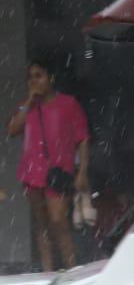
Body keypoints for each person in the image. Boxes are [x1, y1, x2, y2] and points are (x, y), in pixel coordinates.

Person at [5, 59, 90, 272]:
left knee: (59, 222)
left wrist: (82, 172)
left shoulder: (68, 104)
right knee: (41, 225)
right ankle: (47, 271)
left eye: (39, 76)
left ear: (51, 78)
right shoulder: (27, 106)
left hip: (58, 173)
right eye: (30, 77)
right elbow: (12, 130)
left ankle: (72, 271)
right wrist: (29, 101)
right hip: (32, 173)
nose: (34, 81)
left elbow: (83, 139)